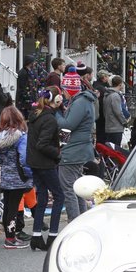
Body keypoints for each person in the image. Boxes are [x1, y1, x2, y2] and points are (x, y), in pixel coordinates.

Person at [0, 105, 32, 248]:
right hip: (18, 176)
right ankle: (11, 239)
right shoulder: (20, 135)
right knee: (13, 207)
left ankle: (9, 236)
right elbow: (24, 157)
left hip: (5, 175)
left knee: (7, 206)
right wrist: (29, 173)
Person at [26, 87, 65, 251]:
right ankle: (53, 235)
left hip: (34, 162)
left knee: (41, 197)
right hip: (46, 163)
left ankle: (36, 235)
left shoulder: (35, 115)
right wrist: (57, 152)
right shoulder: (49, 119)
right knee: (59, 196)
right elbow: (42, 144)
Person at [55, 79, 98, 225]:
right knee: (77, 187)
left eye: (65, 90)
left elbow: (68, 125)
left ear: (70, 90)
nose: (63, 93)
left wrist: (56, 113)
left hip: (73, 151)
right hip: (78, 149)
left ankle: (74, 222)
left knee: (69, 188)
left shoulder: (80, 102)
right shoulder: (84, 101)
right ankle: (82, 220)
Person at [102, 75, 130, 149]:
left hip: (109, 125)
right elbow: (118, 112)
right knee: (115, 149)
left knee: (109, 148)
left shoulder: (107, 94)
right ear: (120, 84)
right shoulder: (115, 96)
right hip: (116, 127)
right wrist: (124, 122)